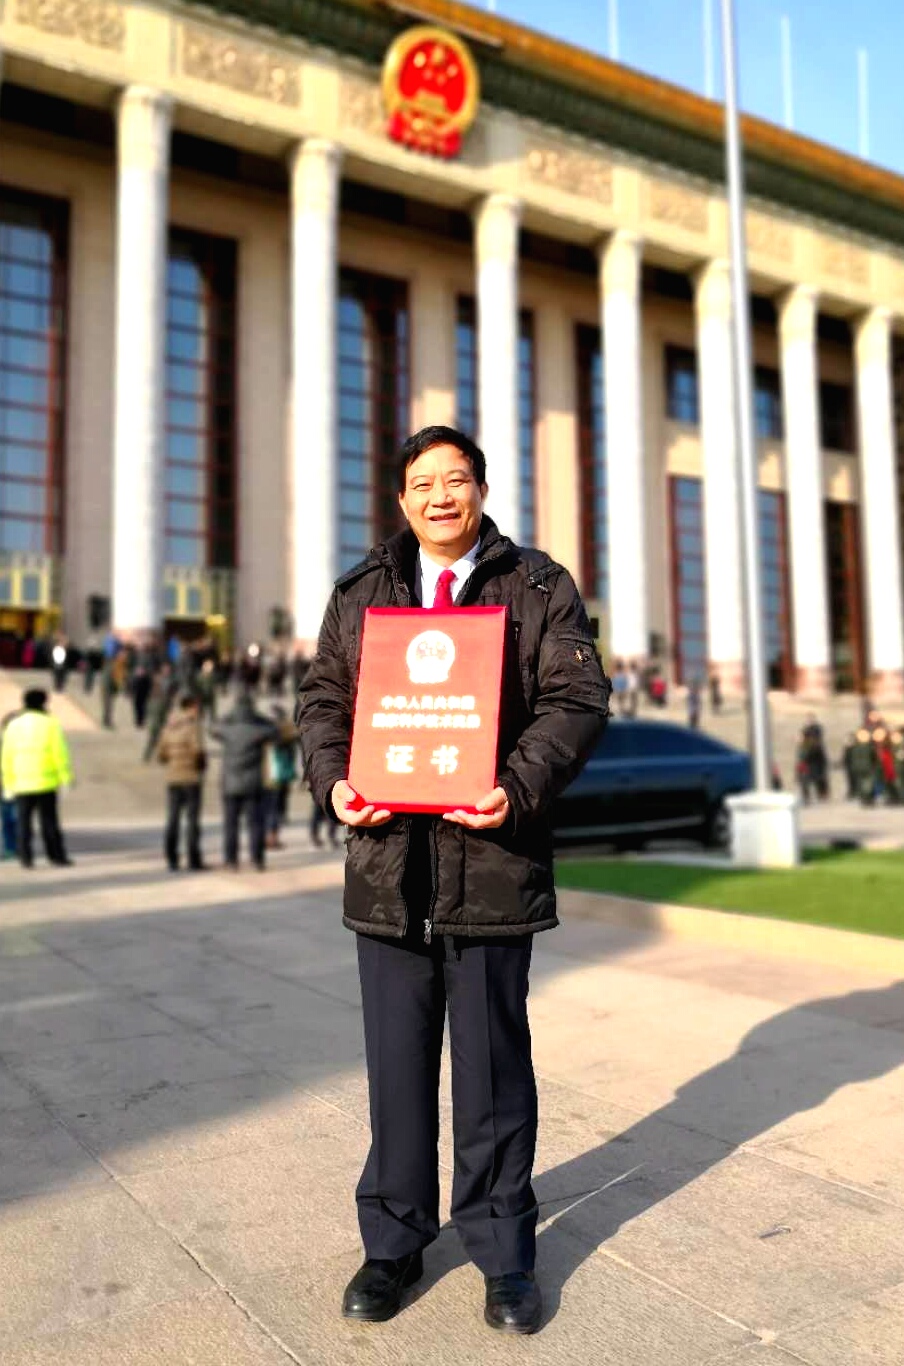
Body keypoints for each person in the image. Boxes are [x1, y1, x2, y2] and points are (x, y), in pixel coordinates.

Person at [298, 425, 610, 1335]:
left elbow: (577, 700)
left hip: (492, 868)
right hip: (390, 867)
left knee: (493, 1077)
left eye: (457, 479)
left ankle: (505, 1252)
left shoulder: (538, 584)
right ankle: (393, 1242)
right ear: (402, 500)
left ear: (479, 490)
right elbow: (323, 703)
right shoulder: (361, 592)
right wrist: (335, 782)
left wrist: (515, 789)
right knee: (397, 1074)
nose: (441, 495)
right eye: (423, 482)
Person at [0, 688, 73, 868]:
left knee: (23, 823)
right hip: (46, 782)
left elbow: (7, 756)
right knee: (49, 822)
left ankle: (25, 857)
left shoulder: (13, 726)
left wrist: (8, 782)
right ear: (43, 703)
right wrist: (65, 778)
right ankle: (56, 856)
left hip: (21, 783)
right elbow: (59, 753)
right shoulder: (50, 724)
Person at [211, 691, 279, 870]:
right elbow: (274, 730)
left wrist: (232, 715)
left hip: (230, 784)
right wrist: (256, 717)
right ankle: (257, 859)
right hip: (252, 783)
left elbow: (213, 728)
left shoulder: (227, 729)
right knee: (256, 823)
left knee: (230, 825)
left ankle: (231, 860)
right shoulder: (258, 730)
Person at [157, 693, 207, 871]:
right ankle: (193, 859)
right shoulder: (193, 726)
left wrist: (171, 762)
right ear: (191, 707)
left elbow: (161, 754)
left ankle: (171, 858)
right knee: (192, 821)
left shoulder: (168, 726)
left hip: (173, 778)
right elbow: (198, 751)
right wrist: (201, 765)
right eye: (197, 707)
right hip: (191, 778)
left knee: (173, 819)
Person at [264, 705, 299, 849]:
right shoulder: (285, 733)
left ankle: (269, 837)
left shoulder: (267, 732)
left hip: (269, 775)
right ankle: (271, 837)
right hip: (278, 775)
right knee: (274, 809)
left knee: (270, 809)